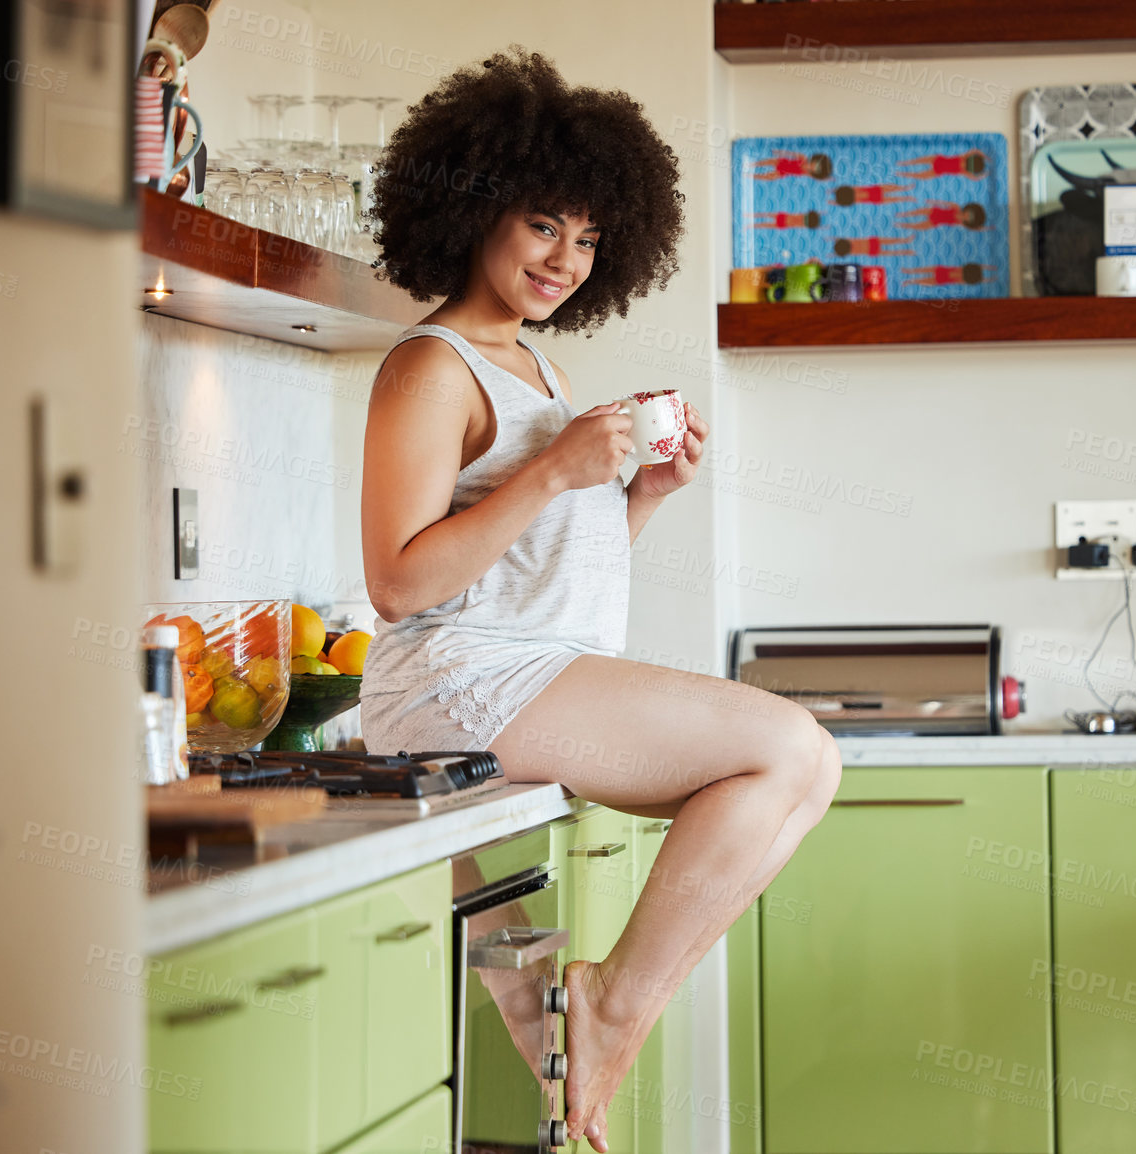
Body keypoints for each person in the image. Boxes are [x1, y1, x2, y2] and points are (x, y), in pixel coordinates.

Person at [360, 48, 841, 1151]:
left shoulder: (538, 372)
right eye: (543, 226)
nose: (566, 260)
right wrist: (554, 470)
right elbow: (397, 579)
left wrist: (645, 496)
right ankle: (614, 1001)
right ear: (474, 206)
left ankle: (596, 1010)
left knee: (810, 766)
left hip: (524, 666)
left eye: (586, 239)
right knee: (785, 746)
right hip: (455, 681)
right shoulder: (428, 367)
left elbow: (540, 571)